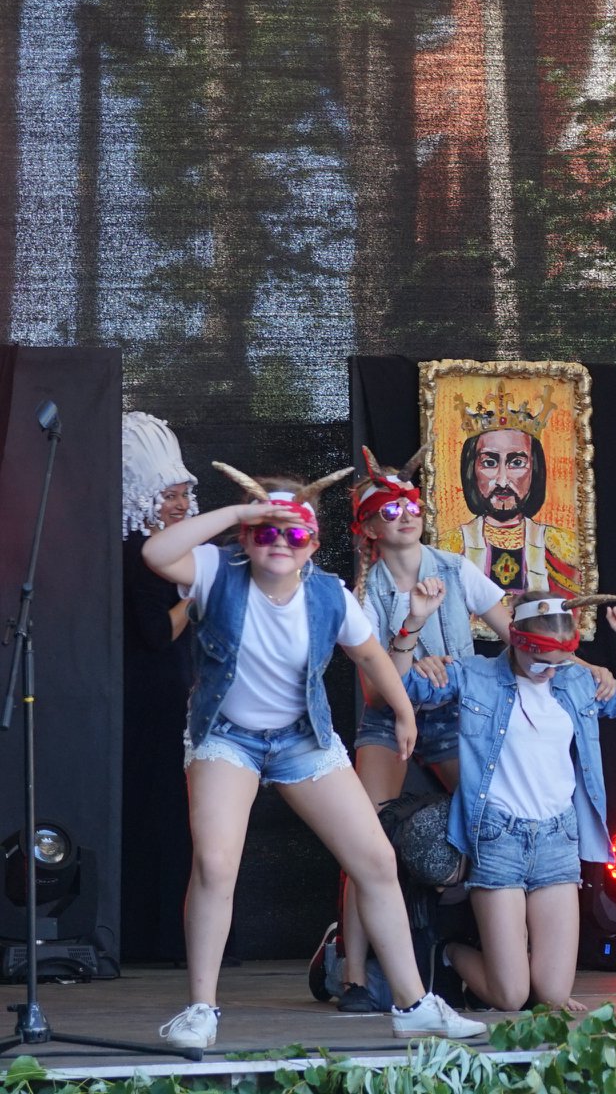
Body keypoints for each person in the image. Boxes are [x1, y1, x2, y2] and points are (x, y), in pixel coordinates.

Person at [141, 461, 488, 1051]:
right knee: (217, 864)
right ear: (247, 537)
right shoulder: (216, 570)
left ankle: (413, 1004)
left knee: (376, 860)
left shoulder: (329, 594)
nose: (280, 542)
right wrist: (241, 510)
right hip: (228, 736)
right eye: (266, 531)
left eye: (295, 533)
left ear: (313, 545)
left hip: (302, 740)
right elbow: (156, 552)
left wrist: (404, 711)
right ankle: (200, 1008)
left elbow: (372, 656)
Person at [401, 591, 616, 1011]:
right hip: (498, 839)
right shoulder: (476, 675)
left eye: (560, 661)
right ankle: (448, 951)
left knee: (552, 997)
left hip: (558, 841)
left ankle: (511, 963)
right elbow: (400, 686)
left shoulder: (575, 682)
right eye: (539, 661)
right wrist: (412, 632)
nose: (548, 672)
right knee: (512, 997)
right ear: (515, 639)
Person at [334, 447, 520, 1012]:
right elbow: (375, 693)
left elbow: (520, 636)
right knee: (364, 839)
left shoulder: (456, 569)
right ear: (368, 527)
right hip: (391, 718)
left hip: (455, 715)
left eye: (412, 505)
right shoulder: (364, 593)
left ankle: (488, 956)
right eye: (390, 510)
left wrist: (580, 664)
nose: (405, 516)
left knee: (497, 820)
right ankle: (354, 974)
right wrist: (411, 645)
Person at [120, 411, 200, 963]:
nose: (178, 504)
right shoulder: (138, 556)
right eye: (168, 494)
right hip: (152, 702)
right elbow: (155, 635)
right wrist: (194, 599)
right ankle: (157, 938)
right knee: (161, 811)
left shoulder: (175, 551)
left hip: (177, 694)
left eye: (182, 494)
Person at [436, 385, 580, 601]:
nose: (502, 480)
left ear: (535, 470)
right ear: (471, 470)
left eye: (517, 463)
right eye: (489, 463)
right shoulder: (449, 547)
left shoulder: (561, 546)